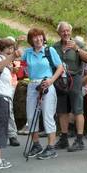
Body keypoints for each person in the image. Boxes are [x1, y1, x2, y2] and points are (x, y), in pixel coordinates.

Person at [22, 28, 63, 160]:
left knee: (47, 115)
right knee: (30, 116)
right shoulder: (27, 52)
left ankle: (51, 147)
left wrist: (51, 81)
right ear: (31, 40)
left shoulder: (49, 50)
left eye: (40, 36)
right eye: (35, 37)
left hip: (47, 84)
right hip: (32, 84)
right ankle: (36, 144)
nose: (38, 39)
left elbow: (60, 67)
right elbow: (18, 61)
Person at [53, 22, 87, 152]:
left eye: (68, 31)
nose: (66, 33)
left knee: (77, 109)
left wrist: (76, 49)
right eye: (63, 31)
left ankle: (79, 140)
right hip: (60, 81)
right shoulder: (55, 47)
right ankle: (64, 138)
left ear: (71, 32)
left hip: (75, 79)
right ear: (58, 33)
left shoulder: (78, 44)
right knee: (62, 110)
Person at [0, 38, 21, 170]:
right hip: (0, 98)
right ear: (4, 48)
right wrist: (13, 56)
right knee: (0, 128)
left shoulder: (5, 62)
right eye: (9, 48)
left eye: (12, 48)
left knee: (0, 127)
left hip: (3, 98)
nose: (11, 50)